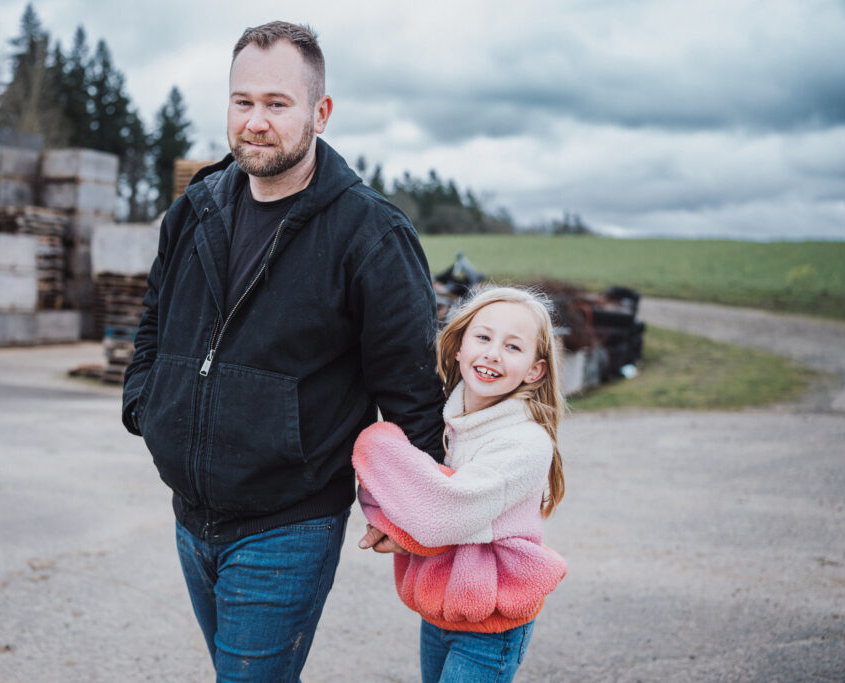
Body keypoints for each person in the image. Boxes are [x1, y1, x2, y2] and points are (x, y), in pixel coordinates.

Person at [121, 20, 445, 682]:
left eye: (277, 103)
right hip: (191, 513)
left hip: (288, 523)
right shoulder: (197, 208)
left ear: (320, 113)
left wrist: (404, 500)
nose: (256, 122)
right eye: (243, 102)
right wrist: (145, 403)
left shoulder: (371, 233)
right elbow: (155, 317)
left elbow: (411, 385)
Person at [353, 286, 568, 683]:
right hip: (441, 608)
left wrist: (376, 444)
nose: (492, 354)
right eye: (483, 338)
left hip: (493, 619)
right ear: (458, 347)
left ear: (535, 370)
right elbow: (383, 492)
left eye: (513, 347)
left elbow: (446, 513)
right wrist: (404, 510)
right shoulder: (443, 424)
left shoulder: (526, 442)